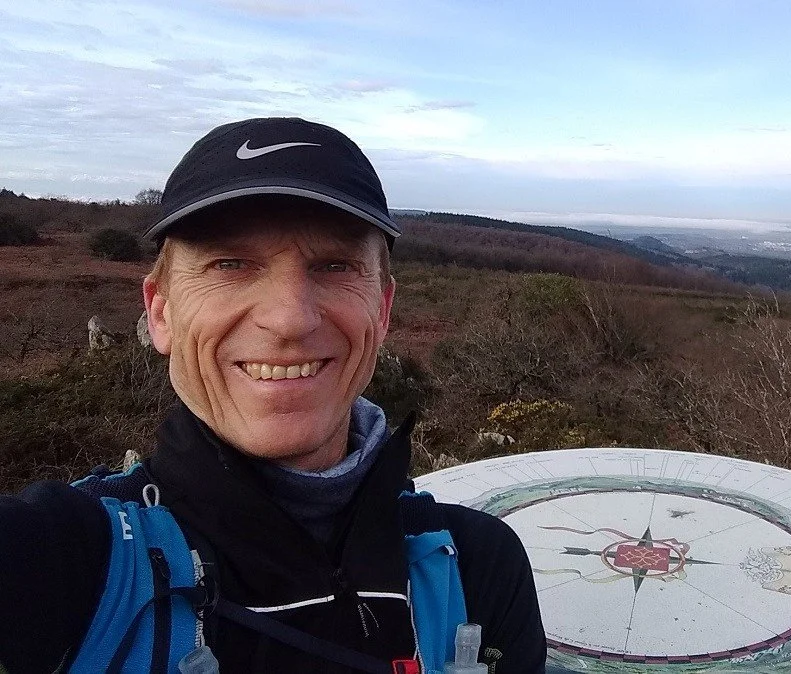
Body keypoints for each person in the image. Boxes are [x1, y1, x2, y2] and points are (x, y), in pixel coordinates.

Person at [0, 117, 547, 673]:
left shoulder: (479, 568)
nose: (289, 319)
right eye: (231, 264)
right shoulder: (67, 563)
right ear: (159, 312)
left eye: (335, 265)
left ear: (382, 312)